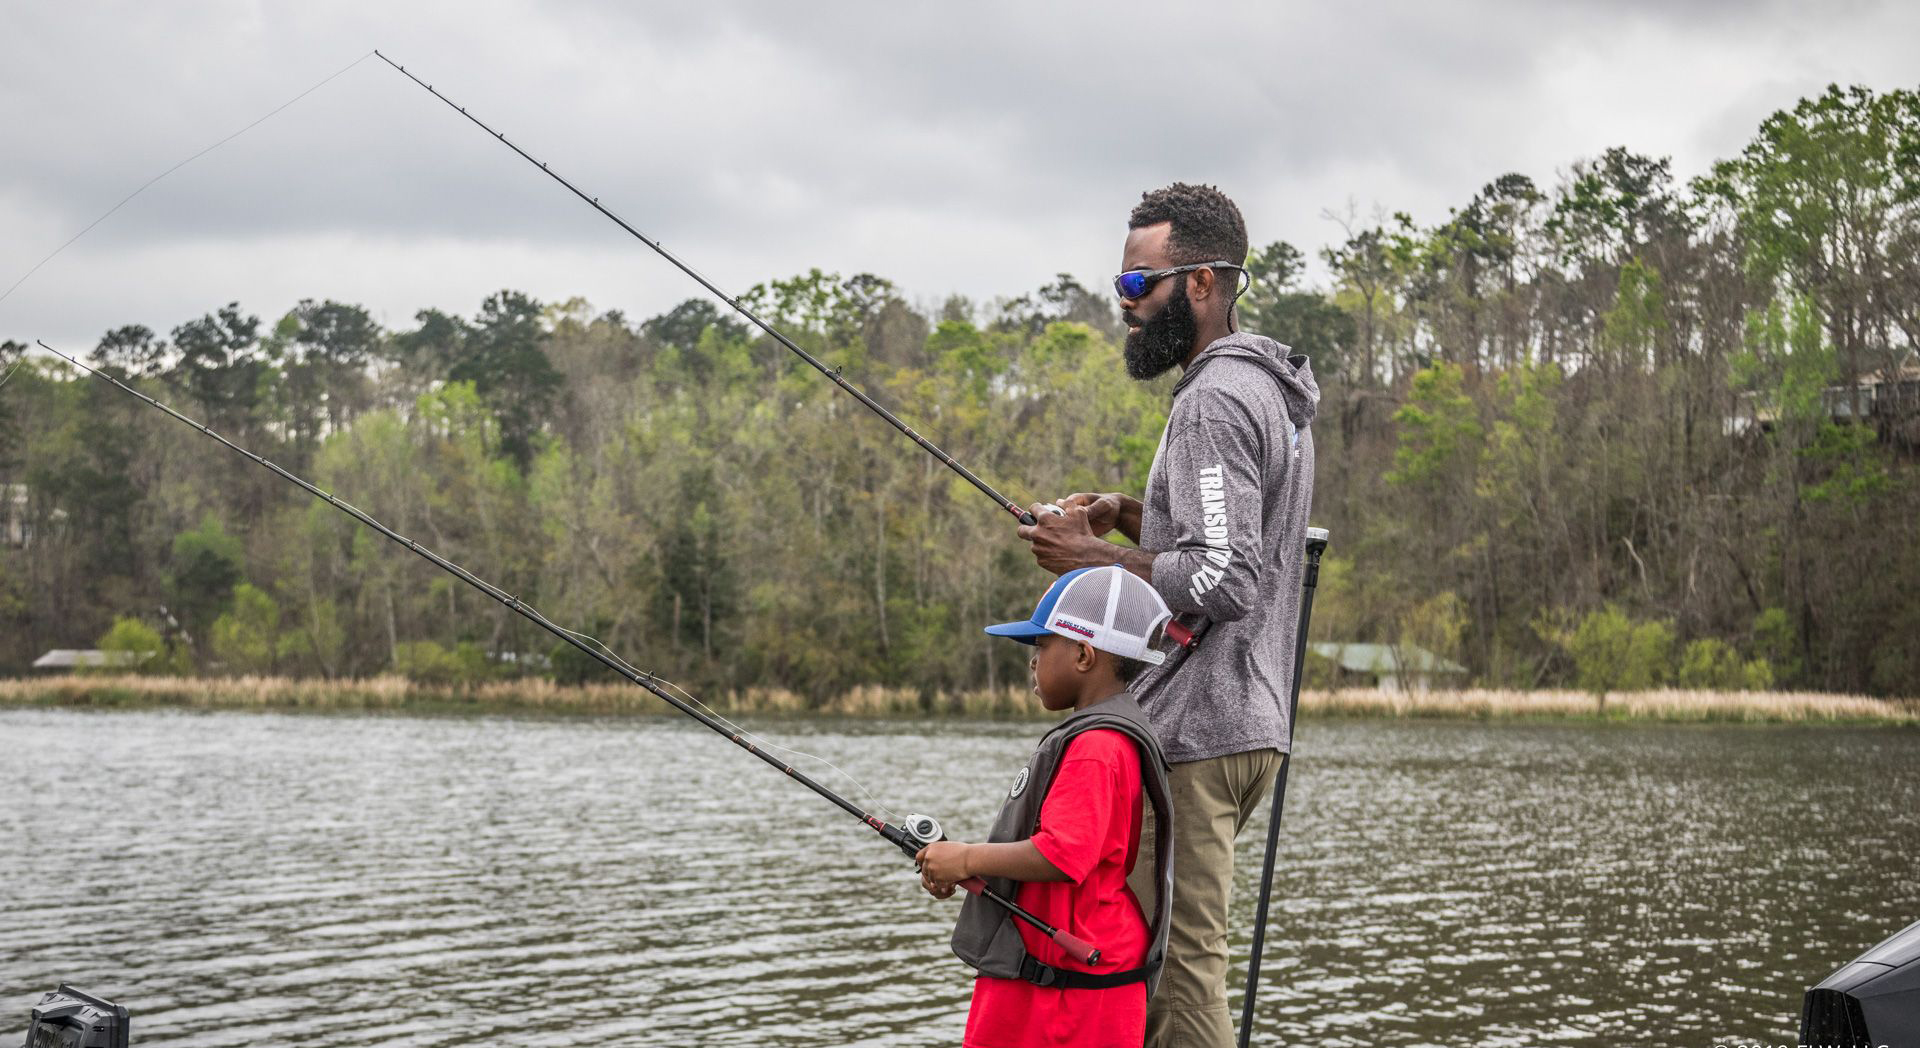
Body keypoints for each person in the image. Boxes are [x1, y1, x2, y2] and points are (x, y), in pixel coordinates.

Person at [1015, 182, 1318, 1047]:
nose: (1126, 306)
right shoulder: (1272, 394)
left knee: (1182, 968)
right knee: (1176, 958)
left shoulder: (1215, 400)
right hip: (1248, 724)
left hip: (1200, 728)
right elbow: (1229, 540)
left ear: (1201, 284)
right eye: (1122, 285)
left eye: (1138, 285)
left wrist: (1091, 559)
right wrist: (1128, 513)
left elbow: (1227, 579)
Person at [917, 565, 1177, 1048]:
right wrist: (960, 865)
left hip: (1069, 1001)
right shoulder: (1102, 735)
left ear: (1083, 654)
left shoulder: (1097, 746)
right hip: (1060, 982)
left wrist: (967, 858)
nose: (1033, 663)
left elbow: (1063, 853)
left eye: (1041, 646)